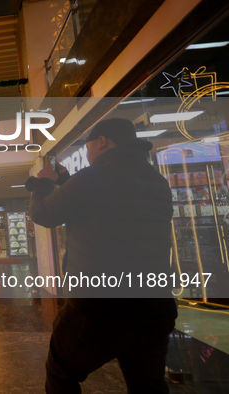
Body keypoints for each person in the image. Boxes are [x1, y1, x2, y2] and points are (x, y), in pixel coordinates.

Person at [25, 118, 177, 393]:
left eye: (89, 146)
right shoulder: (156, 181)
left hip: (101, 309)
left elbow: (44, 213)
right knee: (148, 386)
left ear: (103, 141)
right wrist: (67, 181)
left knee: (61, 371)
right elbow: (104, 203)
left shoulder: (96, 177)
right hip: (155, 308)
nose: (89, 153)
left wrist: (42, 184)